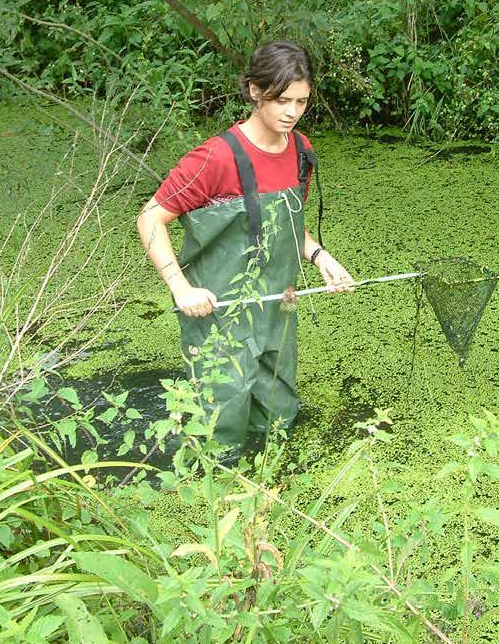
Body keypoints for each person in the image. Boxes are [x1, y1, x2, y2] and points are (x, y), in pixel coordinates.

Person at [136, 40, 354, 448]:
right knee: (221, 420)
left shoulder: (301, 151)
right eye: (281, 100)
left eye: (302, 102)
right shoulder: (215, 158)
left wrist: (320, 256)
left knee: (277, 412)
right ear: (255, 90)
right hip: (217, 310)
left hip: (278, 302)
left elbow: (288, 224)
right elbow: (150, 218)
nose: (291, 112)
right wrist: (180, 288)